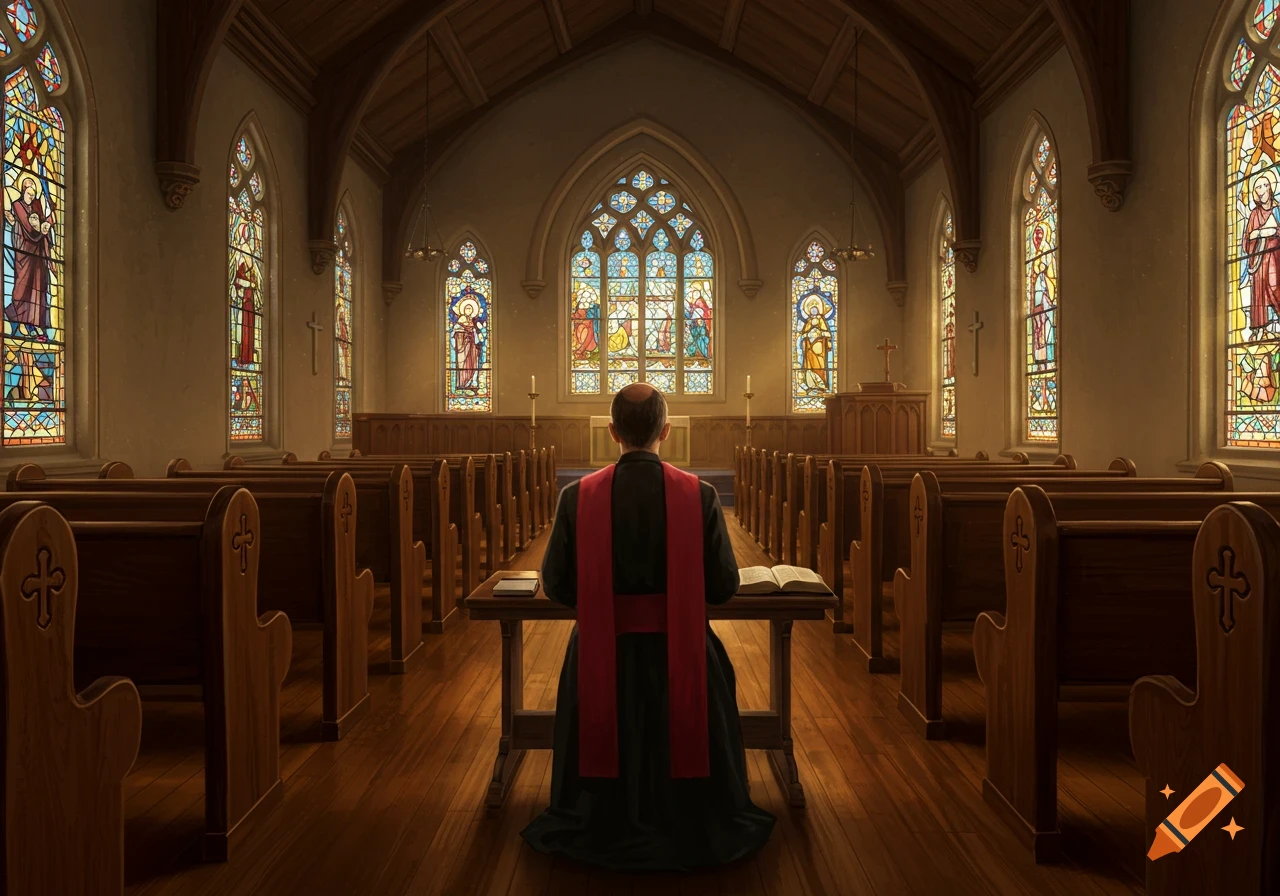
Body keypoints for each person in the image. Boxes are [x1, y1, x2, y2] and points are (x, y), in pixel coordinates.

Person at [521, 383, 774, 871]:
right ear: (667, 430)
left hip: (602, 654)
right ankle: (691, 816)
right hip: (681, 657)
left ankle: (600, 817)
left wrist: (604, 605)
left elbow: (556, 585)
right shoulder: (699, 495)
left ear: (613, 432)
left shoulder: (577, 497)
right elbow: (723, 587)